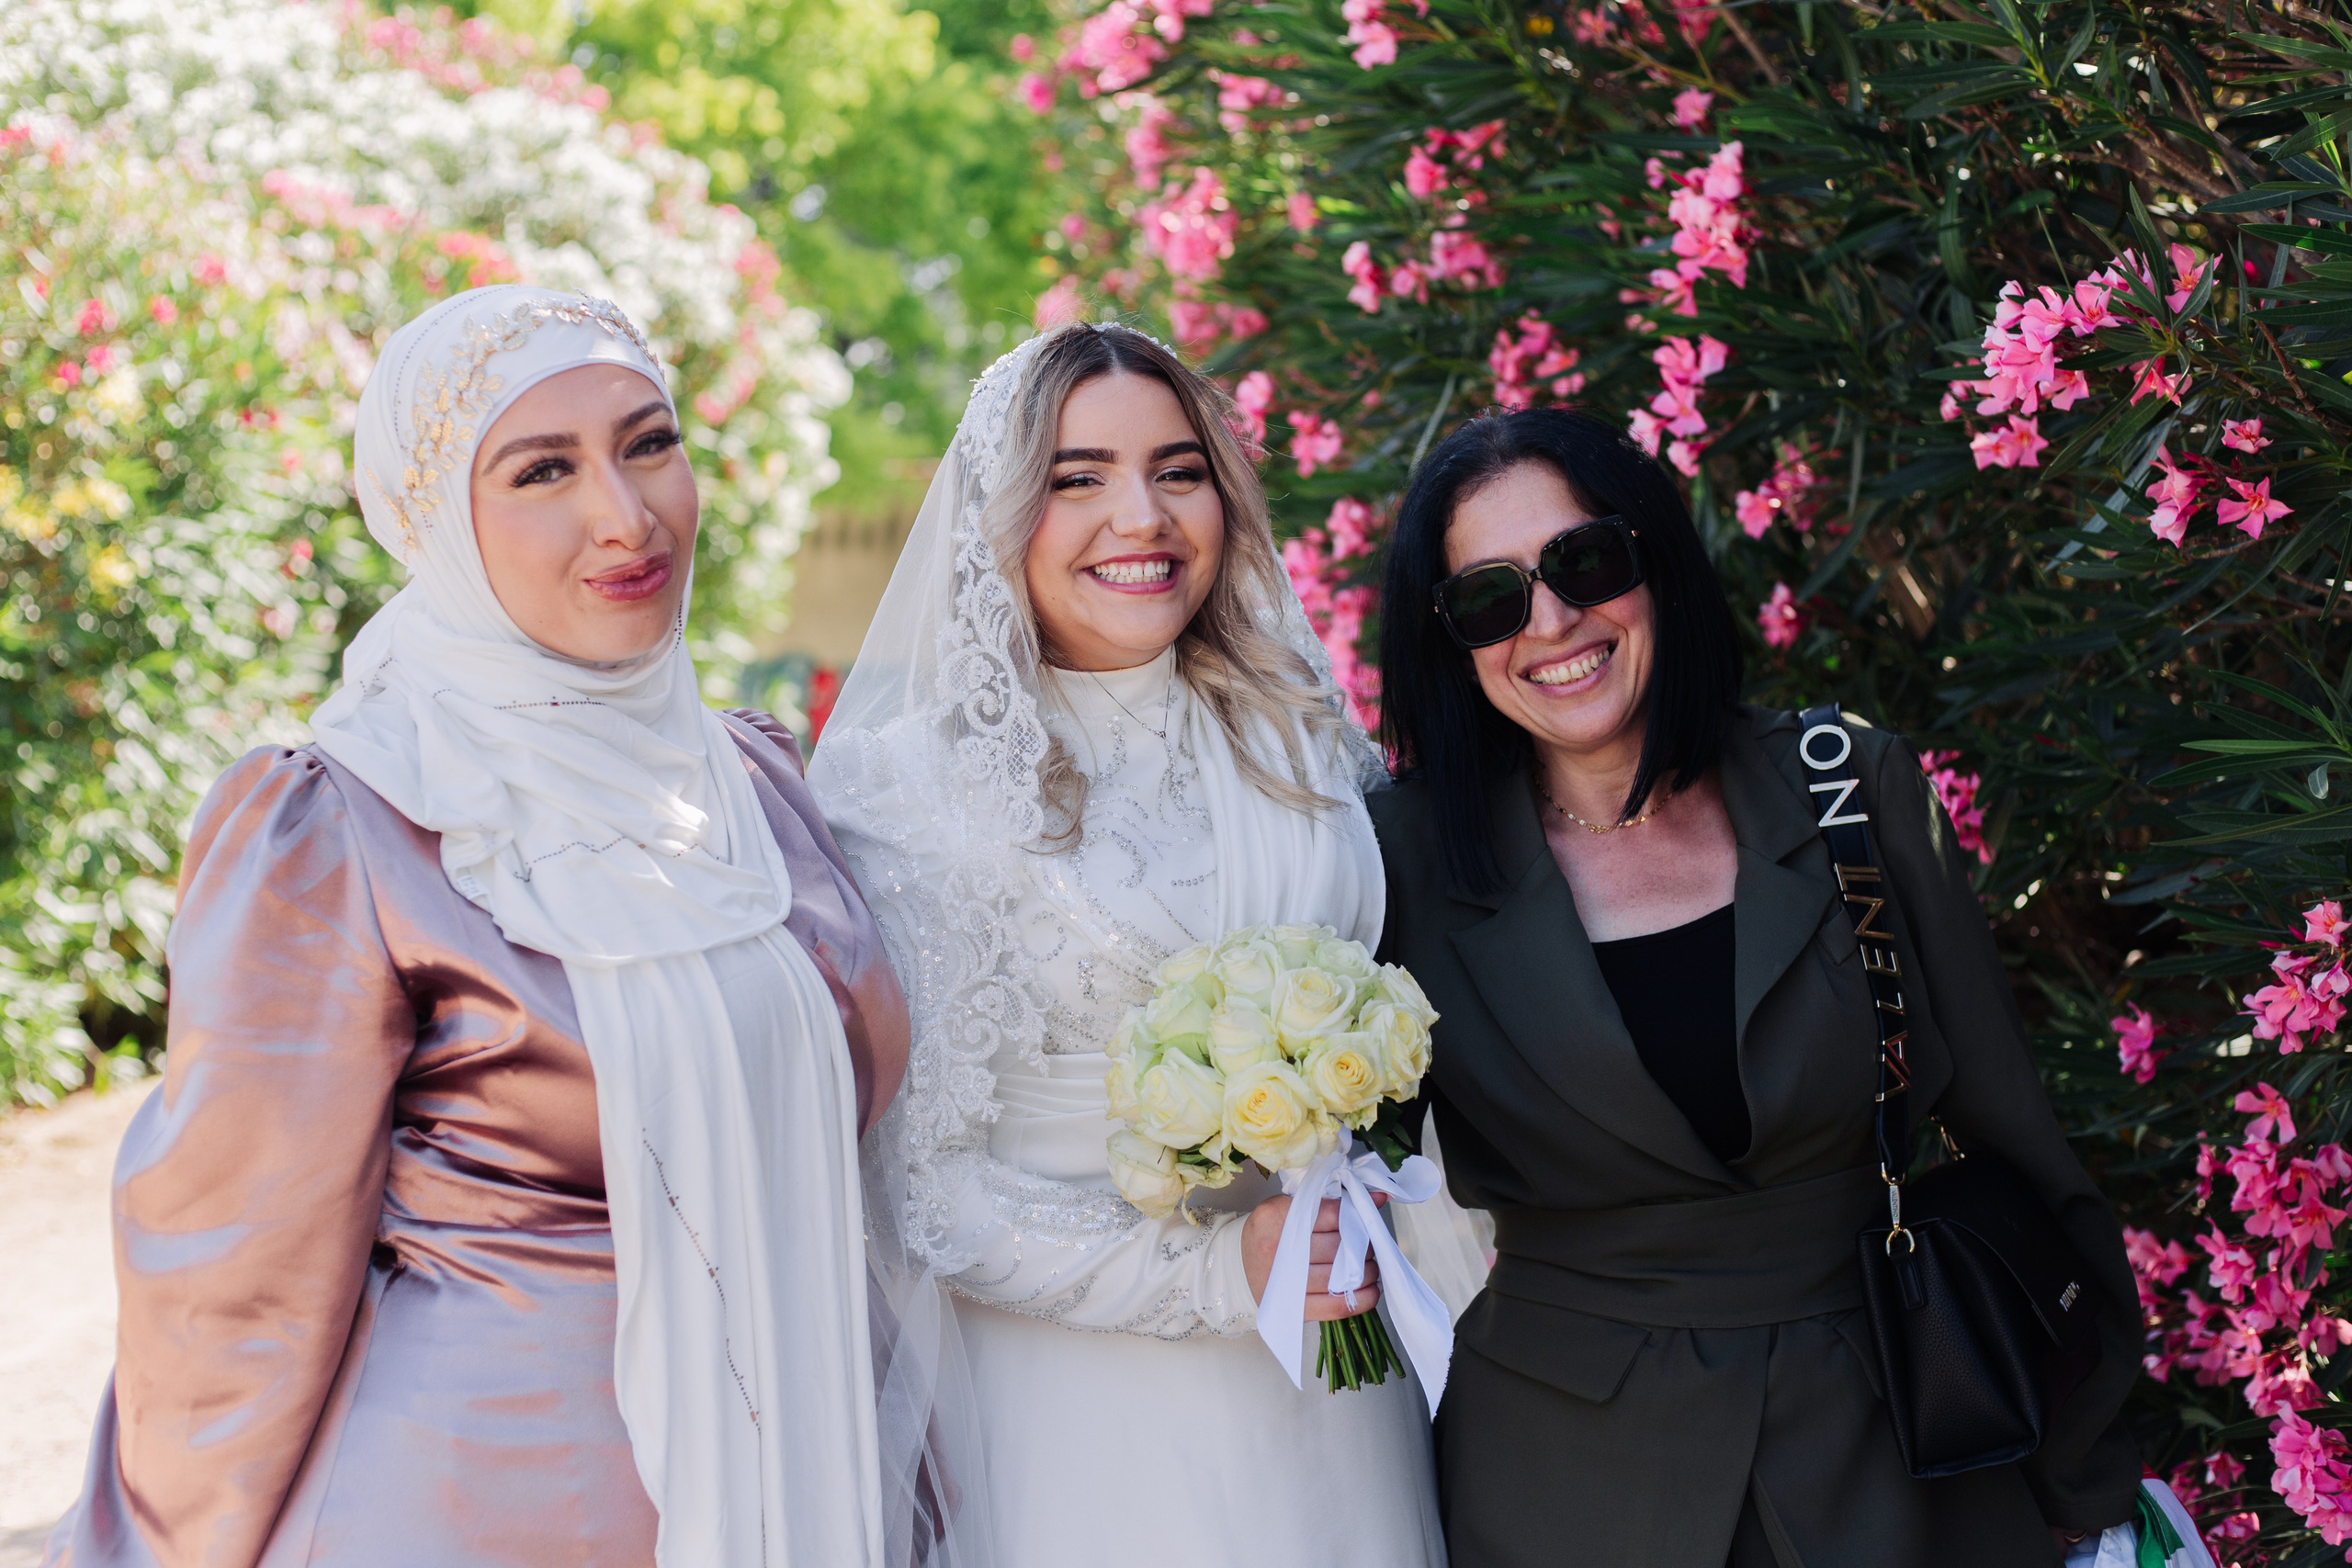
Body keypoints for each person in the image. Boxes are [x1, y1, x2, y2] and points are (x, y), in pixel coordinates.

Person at [45, 285, 985, 1568]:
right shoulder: (343, 822)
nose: (625, 512)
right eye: (543, 468)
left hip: (824, 1481)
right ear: (436, 520)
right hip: (481, 1506)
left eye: (648, 441)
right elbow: (231, 1277)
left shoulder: (758, 782)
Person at [1367, 407, 2141, 1567]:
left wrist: (2084, 1477)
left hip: (1908, 1455)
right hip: (1561, 1491)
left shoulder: (1849, 788)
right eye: (1490, 597)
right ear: (1450, 644)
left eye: (1586, 562)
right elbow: (1338, 1182)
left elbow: (2018, 1149)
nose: (1553, 620)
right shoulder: (1396, 866)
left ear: (1656, 559)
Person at [808, 322, 1446, 1568]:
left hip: (1338, 1379)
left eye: (1179, 468)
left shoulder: (1297, 738)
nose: (1141, 515)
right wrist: (1221, 1269)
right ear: (1000, 514)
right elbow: (921, 1193)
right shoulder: (909, 793)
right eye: (1077, 476)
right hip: (1091, 1417)